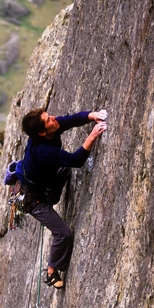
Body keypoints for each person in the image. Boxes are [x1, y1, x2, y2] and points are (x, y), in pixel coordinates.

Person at [13, 107, 107, 289]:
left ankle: (51, 198)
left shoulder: (50, 128)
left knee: (63, 171)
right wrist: (93, 135)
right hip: (32, 200)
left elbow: (70, 120)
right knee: (63, 234)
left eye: (49, 117)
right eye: (48, 120)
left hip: (41, 185)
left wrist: (92, 116)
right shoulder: (42, 150)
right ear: (42, 132)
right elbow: (75, 161)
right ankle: (52, 271)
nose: (54, 119)